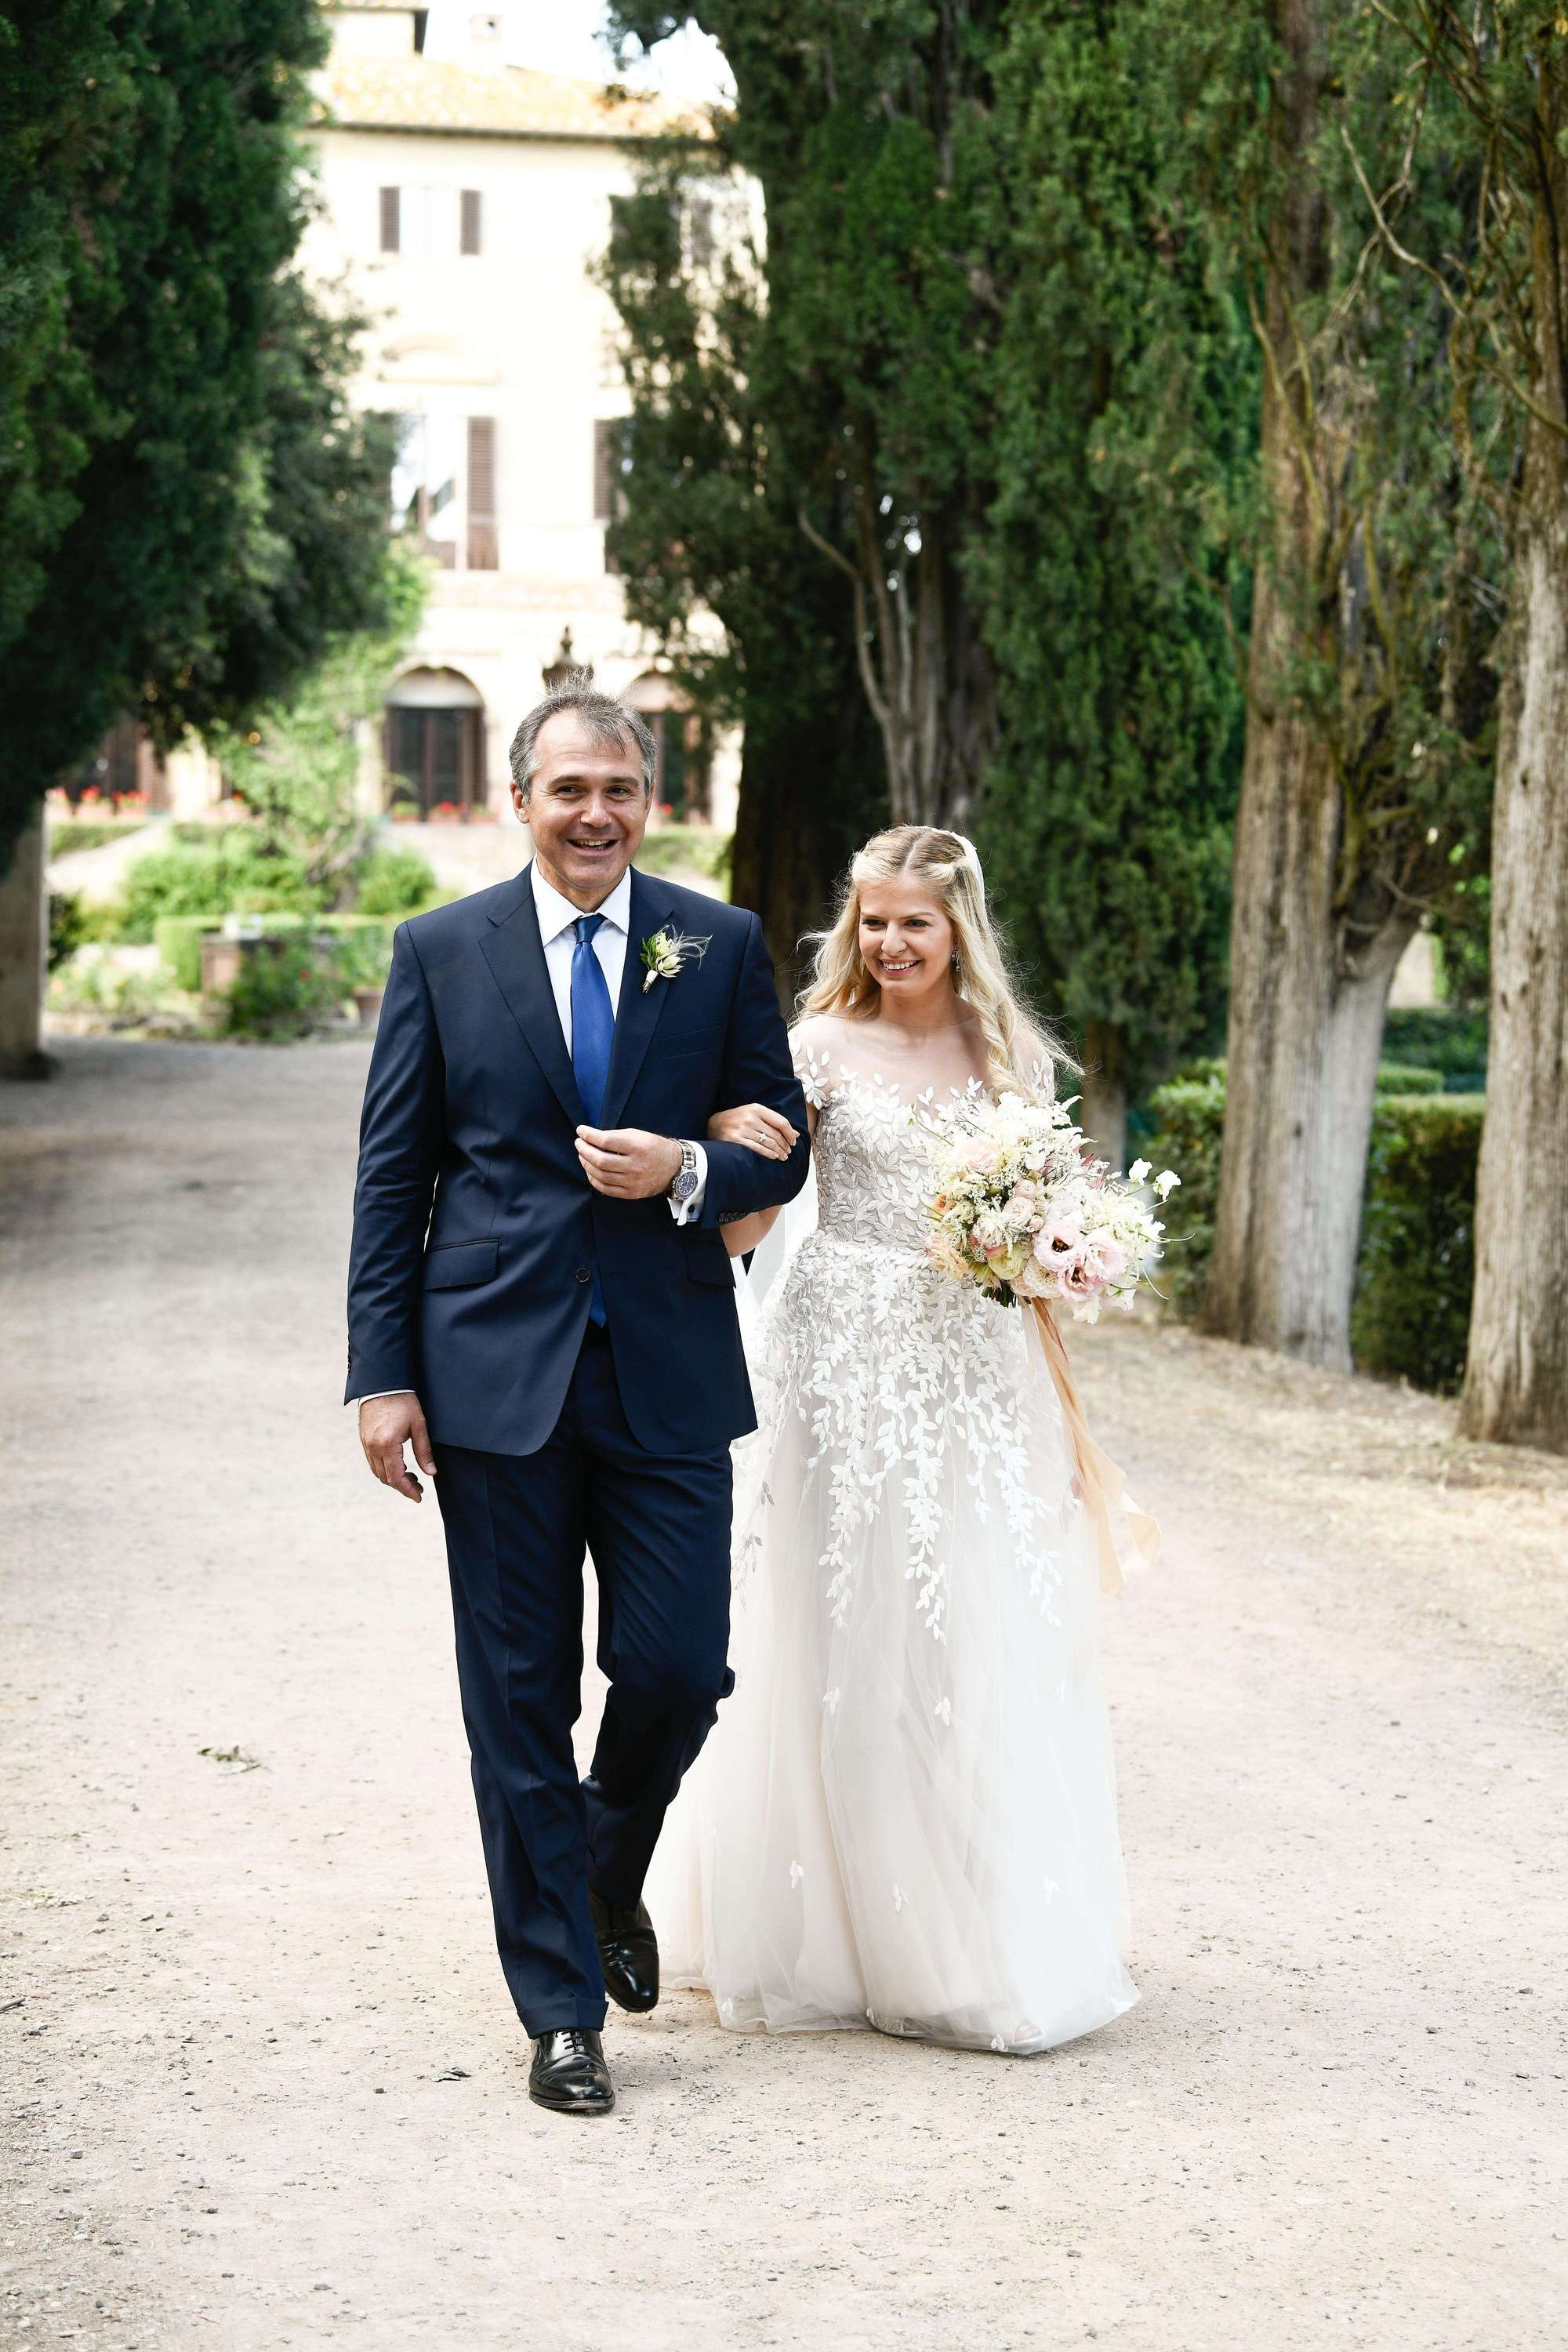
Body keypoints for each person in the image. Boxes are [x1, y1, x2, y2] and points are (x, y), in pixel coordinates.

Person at [345, 676, 809, 2116]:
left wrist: (689, 1172)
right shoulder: (441, 949)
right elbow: (393, 1175)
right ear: (521, 800)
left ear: (648, 801)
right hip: (492, 1376)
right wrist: (381, 1375)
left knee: (678, 1672)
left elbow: (779, 1144)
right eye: (569, 789)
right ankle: (559, 2011)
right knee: (518, 1702)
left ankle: (606, 1870)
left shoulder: (714, 942)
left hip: (667, 1365)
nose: (595, 811)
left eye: (619, 788)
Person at [648, 823, 1140, 2053]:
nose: (889, 942)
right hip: (839, 1351)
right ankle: (825, 1927)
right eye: (872, 919)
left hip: (975, 1363)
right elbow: (756, 1194)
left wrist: (1063, 1246)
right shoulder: (813, 1047)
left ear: (958, 926)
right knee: (832, 1619)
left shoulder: (1007, 1054)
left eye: (914, 921)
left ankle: (971, 1927)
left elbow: (1053, 1192)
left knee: (974, 1622)